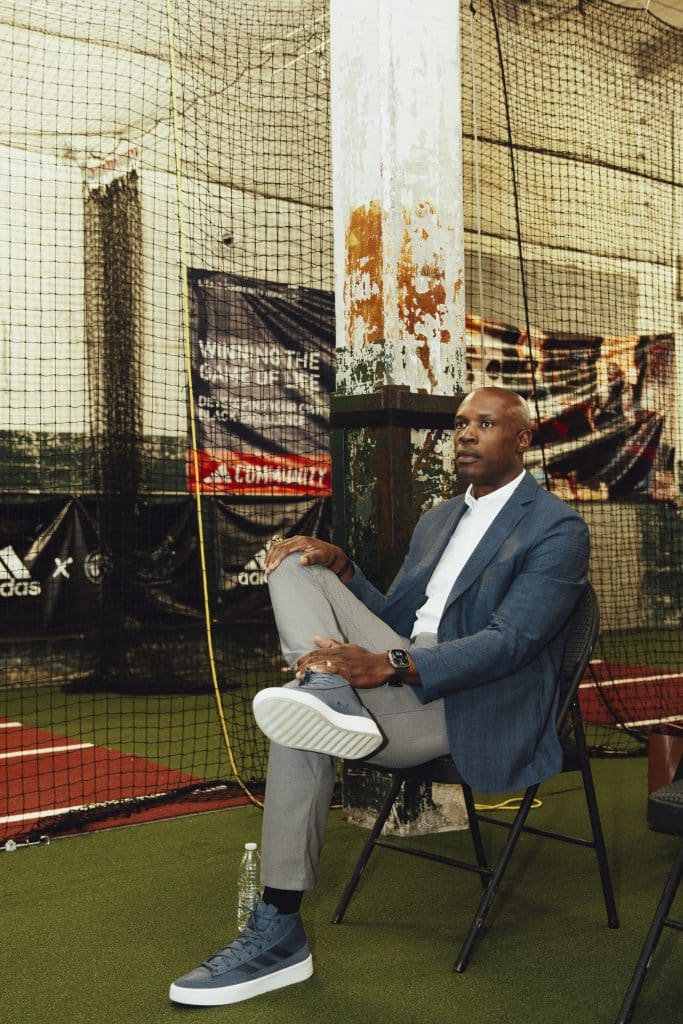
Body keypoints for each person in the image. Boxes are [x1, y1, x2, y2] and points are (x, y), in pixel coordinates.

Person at [169, 386, 590, 1007]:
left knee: (299, 720)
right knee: (294, 563)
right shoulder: (439, 519)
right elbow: (396, 616)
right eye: (460, 424)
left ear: (522, 439)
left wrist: (391, 664)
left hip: (473, 699)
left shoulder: (557, 528)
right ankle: (327, 690)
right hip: (406, 675)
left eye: (485, 424)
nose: (465, 434)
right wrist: (343, 569)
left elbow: (511, 644)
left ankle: (279, 927)